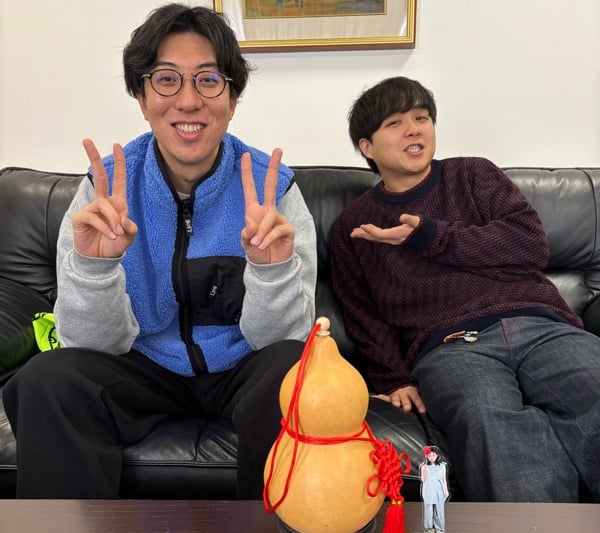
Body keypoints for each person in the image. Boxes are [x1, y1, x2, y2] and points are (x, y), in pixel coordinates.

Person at [2, 4, 317, 500]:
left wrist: (271, 272)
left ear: (232, 99)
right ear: (142, 97)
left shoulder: (273, 190)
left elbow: (288, 341)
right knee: (47, 378)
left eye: (208, 80)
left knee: (297, 371)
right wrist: (96, 267)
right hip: (142, 369)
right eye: (167, 80)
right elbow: (87, 344)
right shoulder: (103, 190)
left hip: (242, 372)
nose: (188, 101)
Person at [331, 76, 600, 502]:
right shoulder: (354, 225)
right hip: (451, 346)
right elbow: (361, 312)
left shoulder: (473, 174)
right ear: (367, 146)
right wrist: (394, 377)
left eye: (422, 118)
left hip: (541, 325)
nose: (414, 129)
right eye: (396, 123)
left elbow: (530, 244)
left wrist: (431, 236)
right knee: (489, 420)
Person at [419, 446, 449, 533]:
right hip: (428, 489)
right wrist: (424, 470)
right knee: (428, 509)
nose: (431, 457)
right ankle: (429, 529)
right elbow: (423, 479)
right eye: (429, 456)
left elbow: (444, 479)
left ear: (437, 455)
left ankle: (440, 528)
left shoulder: (442, 466)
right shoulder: (424, 466)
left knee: (439, 509)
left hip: (439, 490)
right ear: (426, 456)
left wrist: (446, 490)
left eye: (433, 455)